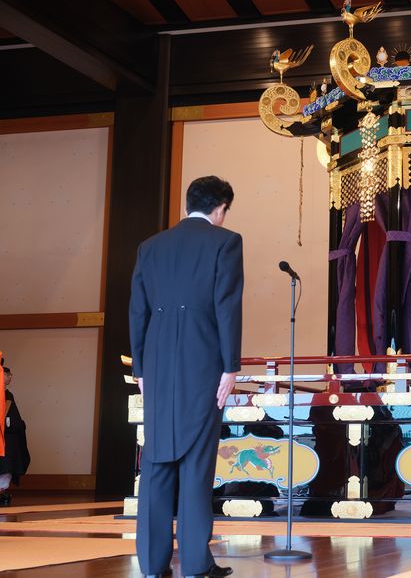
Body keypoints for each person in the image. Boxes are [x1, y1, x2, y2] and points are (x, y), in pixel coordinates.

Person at [130, 176, 243, 578]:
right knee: (197, 462)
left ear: (187, 205)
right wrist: (231, 366)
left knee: (157, 461)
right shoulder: (225, 242)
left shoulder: (150, 246)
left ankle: (151, 564)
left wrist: (140, 369)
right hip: (202, 362)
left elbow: (137, 311)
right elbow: (226, 306)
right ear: (220, 209)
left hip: (157, 365)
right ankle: (195, 563)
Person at [0, 366, 30, 506]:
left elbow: (13, 419)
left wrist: (15, 424)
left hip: (8, 438)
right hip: (4, 437)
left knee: (7, 466)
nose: (10, 376)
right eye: (7, 374)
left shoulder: (8, 395)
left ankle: (2, 493)